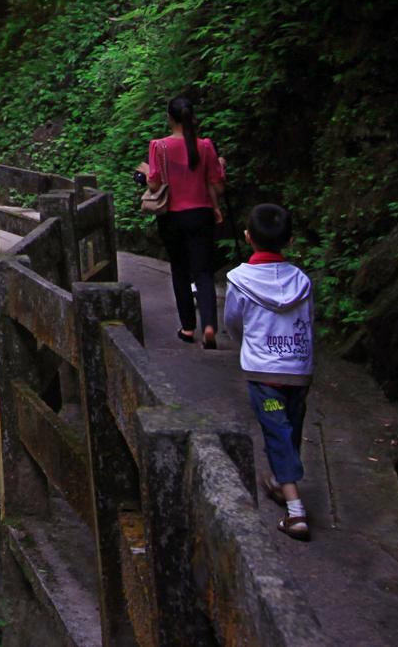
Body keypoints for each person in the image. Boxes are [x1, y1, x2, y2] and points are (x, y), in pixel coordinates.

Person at [223, 202, 315, 542]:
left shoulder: (240, 280)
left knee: (277, 430)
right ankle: (281, 480)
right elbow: (308, 322)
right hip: (299, 369)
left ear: (248, 237)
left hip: (263, 373)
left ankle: (295, 511)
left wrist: (242, 342)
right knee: (290, 426)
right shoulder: (301, 281)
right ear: (289, 241)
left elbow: (233, 321)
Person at [138, 96, 226, 348]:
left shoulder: (159, 147)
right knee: (204, 271)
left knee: (180, 270)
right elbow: (216, 184)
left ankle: (188, 328)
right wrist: (216, 205)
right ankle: (209, 325)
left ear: (170, 118)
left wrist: (145, 173)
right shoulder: (206, 146)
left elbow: (154, 183)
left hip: (172, 217)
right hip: (201, 214)